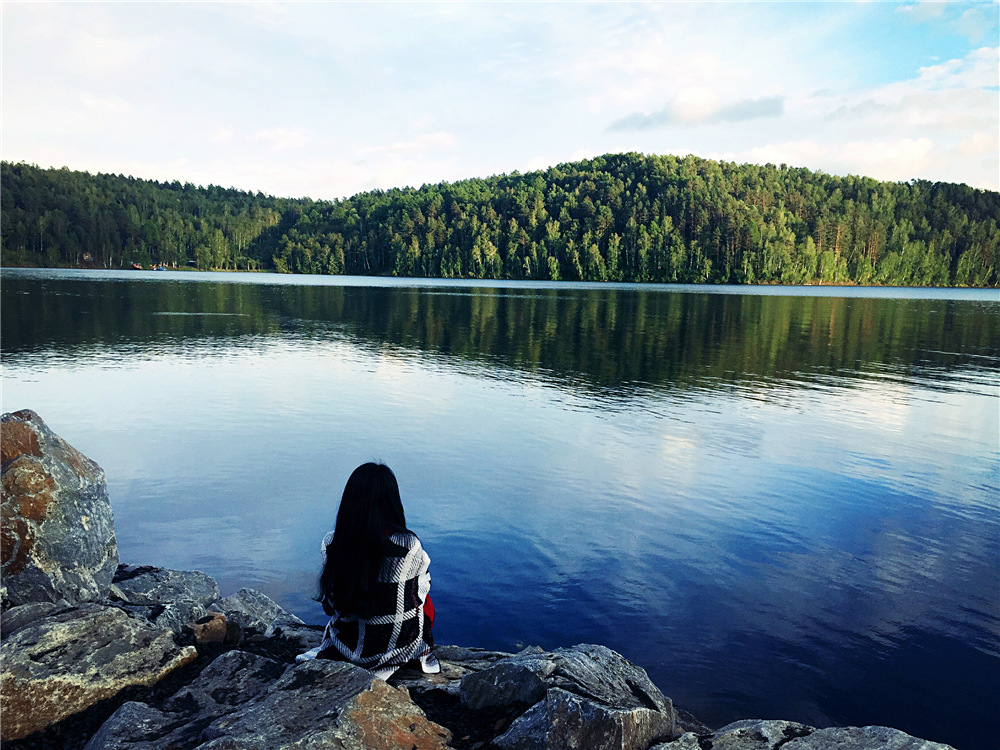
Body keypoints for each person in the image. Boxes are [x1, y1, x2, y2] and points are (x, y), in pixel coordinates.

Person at [296, 462, 439, 679]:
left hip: (345, 646)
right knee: (422, 594)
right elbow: (421, 593)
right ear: (393, 502)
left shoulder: (332, 543)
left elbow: (330, 605)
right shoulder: (408, 546)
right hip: (395, 649)